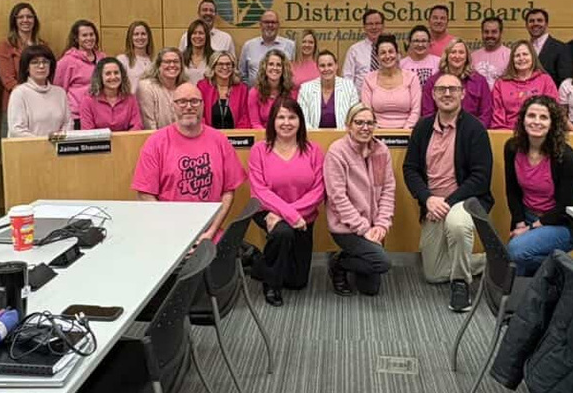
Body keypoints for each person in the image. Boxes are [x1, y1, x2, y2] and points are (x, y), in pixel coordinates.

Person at [403, 73, 493, 312]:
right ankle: (490, 261)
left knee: (457, 225)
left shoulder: (475, 129)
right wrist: (428, 199)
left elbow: (480, 178)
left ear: (462, 93)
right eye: (441, 89)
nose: (447, 94)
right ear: (433, 94)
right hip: (433, 204)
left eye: (453, 89)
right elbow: (410, 169)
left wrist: (448, 202)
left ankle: (460, 283)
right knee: (432, 273)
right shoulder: (423, 128)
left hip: (465, 201)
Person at [132, 83, 246, 242]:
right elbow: (145, 194)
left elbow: (228, 191)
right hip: (167, 234)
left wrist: (211, 232)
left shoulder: (220, 140)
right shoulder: (156, 142)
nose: (189, 106)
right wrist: (173, 232)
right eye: (182, 102)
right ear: (173, 106)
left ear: (202, 105)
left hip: (209, 233)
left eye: (194, 101)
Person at [247, 97, 326, 306]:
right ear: (272, 121)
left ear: (300, 121)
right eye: (280, 117)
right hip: (266, 211)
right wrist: (288, 215)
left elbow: (318, 190)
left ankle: (257, 263)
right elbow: (259, 191)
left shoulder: (314, 150)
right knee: (283, 232)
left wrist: (288, 214)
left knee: (297, 282)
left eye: (292, 117)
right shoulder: (259, 150)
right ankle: (271, 284)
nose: (286, 122)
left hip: (304, 215)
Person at [504, 96, 573, 275]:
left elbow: (566, 207)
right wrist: (519, 223)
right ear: (523, 120)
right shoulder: (512, 148)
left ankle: (572, 272)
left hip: (561, 223)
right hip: (526, 216)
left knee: (515, 251)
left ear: (552, 124)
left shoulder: (566, 157)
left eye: (543, 117)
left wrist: (530, 229)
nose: (536, 122)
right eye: (531, 116)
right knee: (517, 265)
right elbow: (512, 191)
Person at [325, 104, 395, 297]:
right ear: (348, 125)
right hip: (346, 227)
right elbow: (337, 198)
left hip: (373, 226)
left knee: (370, 290)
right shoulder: (337, 152)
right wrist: (364, 229)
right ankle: (338, 264)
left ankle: (349, 258)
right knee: (382, 263)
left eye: (370, 123)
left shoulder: (382, 150)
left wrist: (381, 224)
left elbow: (388, 190)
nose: (365, 127)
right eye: (359, 122)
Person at [0, 3, 44, 135]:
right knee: (13, 149)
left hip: (41, 104)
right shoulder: (5, 46)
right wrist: (30, 96)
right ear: (14, 21)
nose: (25, 20)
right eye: (20, 17)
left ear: (35, 20)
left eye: (29, 17)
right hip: (15, 102)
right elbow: (8, 80)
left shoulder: (43, 45)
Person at [422, 39, 492, 128]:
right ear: (446, 56)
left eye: (461, 52)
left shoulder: (480, 81)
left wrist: (475, 131)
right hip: (441, 132)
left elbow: (486, 113)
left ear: (467, 57)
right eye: (453, 52)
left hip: (473, 132)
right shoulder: (433, 81)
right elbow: (428, 113)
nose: (457, 56)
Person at [490, 40, 559, 130]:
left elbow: (553, 111)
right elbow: (497, 116)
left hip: (539, 132)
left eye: (525, 54)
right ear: (512, 60)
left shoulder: (545, 80)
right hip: (508, 133)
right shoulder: (501, 83)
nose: (521, 58)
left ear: (533, 57)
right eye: (517, 55)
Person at [7, 44, 73, 138]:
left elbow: (68, 123)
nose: (41, 66)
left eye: (45, 62)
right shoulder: (19, 93)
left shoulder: (60, 93)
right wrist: (44, 143)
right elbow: (17, 130)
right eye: (35, 62)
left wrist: (57, 141)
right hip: (29, 149)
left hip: (58, 148)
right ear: (27, 67)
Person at [361, 35, 420, 129]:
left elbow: (416, 110)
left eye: (391, 52)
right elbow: (367, 111)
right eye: (383, 53)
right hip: (376, 132)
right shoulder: (368, 79)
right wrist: (378, 132)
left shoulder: (412, 78)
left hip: (407, 132)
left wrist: (404, 133)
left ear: (397, 54)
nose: (387, 56)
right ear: (377, 57)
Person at [54, 19, 106, 128]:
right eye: (84, 35)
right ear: (76, 39)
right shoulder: (67, 61)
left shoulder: (103, 58)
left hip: (100, 113)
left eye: (91, 35)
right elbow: (58, 90)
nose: (89, 38)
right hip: (77, 116)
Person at [297, 50, 359, 130]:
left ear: (336, 66)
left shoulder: (349, 87)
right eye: (322, 66)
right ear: (317, 68)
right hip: (313, 137)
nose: (326, 69)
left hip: (343, 137)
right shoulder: (305, 88)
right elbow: (303, 119)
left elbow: (354, 116)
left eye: (330, 65)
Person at [80, 58, 143, 132]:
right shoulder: (88, 100)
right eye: (108, 74)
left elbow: (137, 126)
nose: (113, 77)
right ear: (100, 77)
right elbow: (87, 131)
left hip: (126, 141)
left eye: (116, 73)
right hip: (99, 142)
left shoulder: (130, 98)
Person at [239, 10, 295, 85]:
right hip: (254, 94)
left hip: (282, 95)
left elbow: (296, 73)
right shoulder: (249, 46)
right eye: (266, 22)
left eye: (273, 22)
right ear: (260, 24)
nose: (270, 25)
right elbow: (242, 75)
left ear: (278, 25)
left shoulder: (291, 45)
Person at [137, 48, 188, 130]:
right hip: (157, 138)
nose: (172, 65)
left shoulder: (186, 87)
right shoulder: (146, 87)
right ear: (158, 66)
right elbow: (149, 124)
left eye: (176, 62)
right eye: (167, 62)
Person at [197, 50, 250, 129]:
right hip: (209, 136)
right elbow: (199, 116)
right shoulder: (203, 87)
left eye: (228, 64)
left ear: (233, 67)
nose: (225, 67)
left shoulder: (242, 89)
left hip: (236, 138)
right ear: (213, 67)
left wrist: (237, 135)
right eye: (220, 64)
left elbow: (245, 117)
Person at [247, 49, 297, 129]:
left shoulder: (291, 92)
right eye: (271, 64)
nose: (275, 68)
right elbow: (255, 123)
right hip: (263, 136)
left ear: (283, 69)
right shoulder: (254, 93)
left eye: (278, 65)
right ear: (265, 67)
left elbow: (294, 120)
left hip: (286, 133)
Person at [343, 8, 385, 92]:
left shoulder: (391, 51)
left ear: (383, 26)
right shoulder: (354, 50)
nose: (374, 27)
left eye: (377, 23)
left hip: (385, 99)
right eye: (370, 24)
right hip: (360, 101)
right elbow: (347, 78)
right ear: (364, 27)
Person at [525, 8, 571, 85]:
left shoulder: (561, 48)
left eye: (539, 20)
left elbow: (565, 82)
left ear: (546, 24)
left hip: (550, 96)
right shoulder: (523, 49)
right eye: (531, 21)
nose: (535, 23)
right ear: (526, 25)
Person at [470, 16, 510, 89]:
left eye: (494, 32)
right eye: (486, 32)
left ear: (501, 33)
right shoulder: (473, 57)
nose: (489, 35)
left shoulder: (510, 55)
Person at [116, 21, 154, 94]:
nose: (140, 37)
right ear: (130, 38)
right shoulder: (122, 60)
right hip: (131, 103)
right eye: (136, 34)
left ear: (148, 37)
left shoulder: (154, 61)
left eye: (143, 34)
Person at [182, 18, 213, 84]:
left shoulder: (214, 57)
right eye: (194, 33)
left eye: (201, 33)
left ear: (207, 36)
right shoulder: (181, 57)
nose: (197, 36)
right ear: (189, 36)